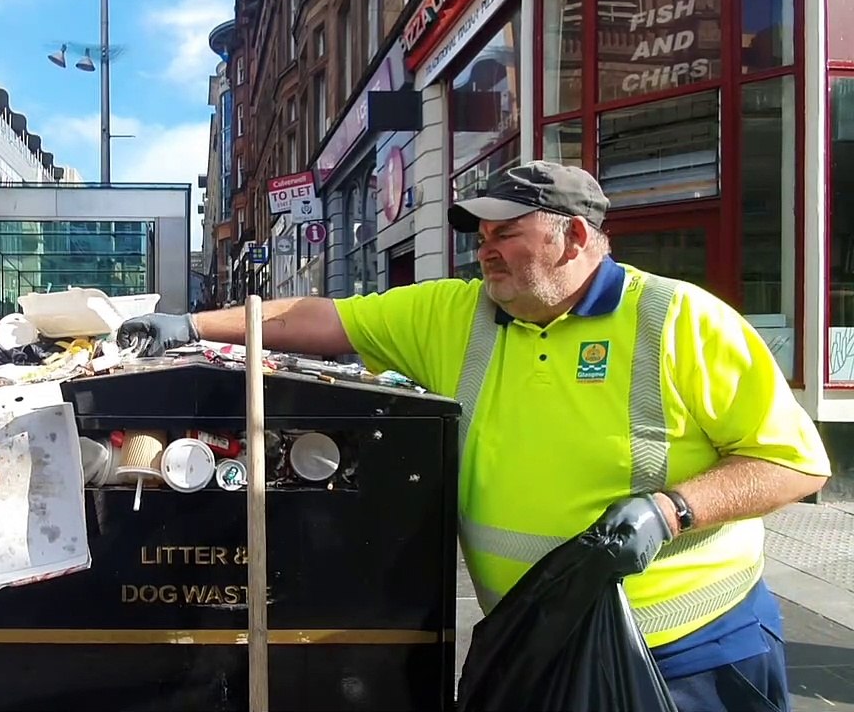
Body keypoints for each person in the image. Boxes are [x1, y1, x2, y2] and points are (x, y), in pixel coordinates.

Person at [118, 161, 830, 711]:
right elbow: (321, 320)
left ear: (573, 236)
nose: (484, 251)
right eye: (481, 235)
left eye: (506, 233)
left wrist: (667, 510)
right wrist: (192, 326)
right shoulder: (457, 314)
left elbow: (793, 465)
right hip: (532, 640)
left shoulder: (681, 320)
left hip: (692, 651)